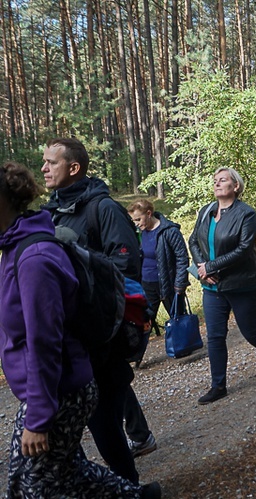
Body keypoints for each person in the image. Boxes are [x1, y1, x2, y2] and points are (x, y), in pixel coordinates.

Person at [0, 162, 160, 498]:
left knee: (32, 485)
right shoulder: (14, 247)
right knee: (66, 470)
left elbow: (45, 343)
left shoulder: (34, 258)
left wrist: (38, 419)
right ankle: (140, 495)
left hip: (60, 392)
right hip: (53, 388)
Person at [41, 138, 155, 482]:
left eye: (51, 162)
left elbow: (125, 268)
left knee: (104, 425)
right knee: (65, 429)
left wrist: (75, 256)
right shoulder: (49, 212)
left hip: (101, 337)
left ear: (73, 168)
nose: (44, 168)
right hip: (65, 338)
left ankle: (130, 488)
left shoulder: (103, 208)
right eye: (44, 162)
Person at [189, 167, 256, 405]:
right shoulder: (206, 210)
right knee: (215, 337)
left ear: (236, 186)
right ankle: (218, 385)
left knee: (250, 331)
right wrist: (202, 268)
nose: (217, 183)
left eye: (223, 180)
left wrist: (211, 267)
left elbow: (242, 250)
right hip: (211, 287)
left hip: (241, 284)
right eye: (215, 180)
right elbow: (193, 240)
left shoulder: (247, 214)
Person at [128, 199, 190, 345]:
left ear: (149, 213)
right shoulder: (139, 233)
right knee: (144, 321)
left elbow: (182, 258)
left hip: (168, 283)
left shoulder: (169, 231)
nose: (136, 223)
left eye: (138, 219)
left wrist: (180, 283)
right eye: (133, 220)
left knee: (178, 317)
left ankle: (184, 347)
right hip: (146, 284)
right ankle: (137, 355)